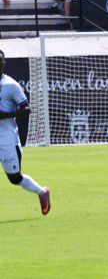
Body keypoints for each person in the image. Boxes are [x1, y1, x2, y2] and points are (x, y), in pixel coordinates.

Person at [0, 51, 51, 215]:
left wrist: (5, 115)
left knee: (15, 178)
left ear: (3, 63)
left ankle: (42, 192)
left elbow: (27, 109)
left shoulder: (11, 85)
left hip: (7, 139)